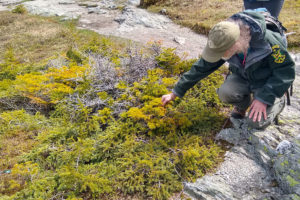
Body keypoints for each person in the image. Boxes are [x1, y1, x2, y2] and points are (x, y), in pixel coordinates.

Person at [161, 9, 295, 130]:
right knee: (226, 93)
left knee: (256, 123)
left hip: (267, 83)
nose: (219, 56)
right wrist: (176, 92)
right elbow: (202, 67)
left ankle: (279, 100)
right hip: (244, 77)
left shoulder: (270, 42)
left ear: (236, 44)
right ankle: (243, 105)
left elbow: (285, 71)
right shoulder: (225, 38)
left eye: (221, 53)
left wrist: (264, 98)